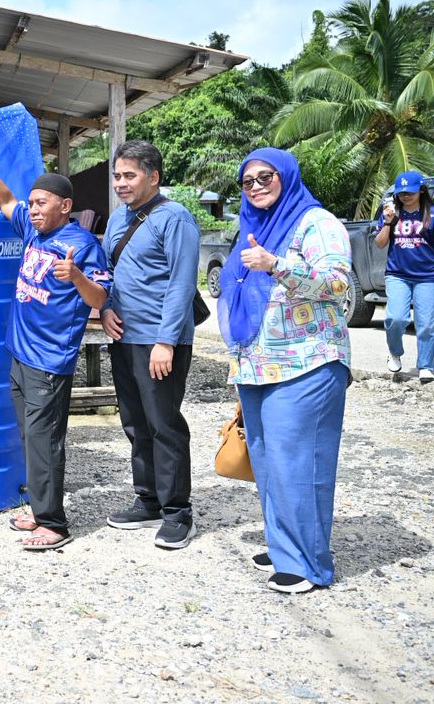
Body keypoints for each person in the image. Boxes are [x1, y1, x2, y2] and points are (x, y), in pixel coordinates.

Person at [0, 160, 110, 551]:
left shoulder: (83, 246)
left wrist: (75, 276)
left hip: (48, 361)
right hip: (20, 355)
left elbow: (100, 298)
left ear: (65, 205)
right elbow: (5, 200)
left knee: (46, 440)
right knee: (31, 437)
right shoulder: (33, 230)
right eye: (32, 203)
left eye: (42, 203)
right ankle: (42, 511)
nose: (34, 209)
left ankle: (55, 524)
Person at [219, 147, 351, 594]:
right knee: (270, 463)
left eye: (265, 176)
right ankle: (283, 546)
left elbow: (337, 285)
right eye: (247, 180)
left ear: (287, 176)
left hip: (308, 362)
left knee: (300, 465)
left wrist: (276, 265)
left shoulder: (317, 223)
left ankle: (309, 564)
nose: (255, 186)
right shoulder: (251, 228)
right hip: (258, 365)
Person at [100, 141, 201, 550]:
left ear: (153, 177)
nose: (121, 183)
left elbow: (181, 283)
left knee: (164, 424)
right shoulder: (117, 219)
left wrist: (166, 341)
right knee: (135, 423)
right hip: (124, 337)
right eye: (118, 175)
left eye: (130, 175)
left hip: (159, 341)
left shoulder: (174, 217)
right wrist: (105, 307)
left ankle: (178, 513)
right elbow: (108, 271)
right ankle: (149, 500)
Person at [374, 170, 434, 382]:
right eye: (401, 192)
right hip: (397, 274)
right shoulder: (391, 213)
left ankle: (426, 365)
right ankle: (395, 352)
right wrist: (388, 222)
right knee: (395, 318)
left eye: (410, 191)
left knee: (426, 324)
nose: (405, 195)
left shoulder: (431, 214)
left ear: (421, 190)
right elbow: (380, 243)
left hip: (427, 276)